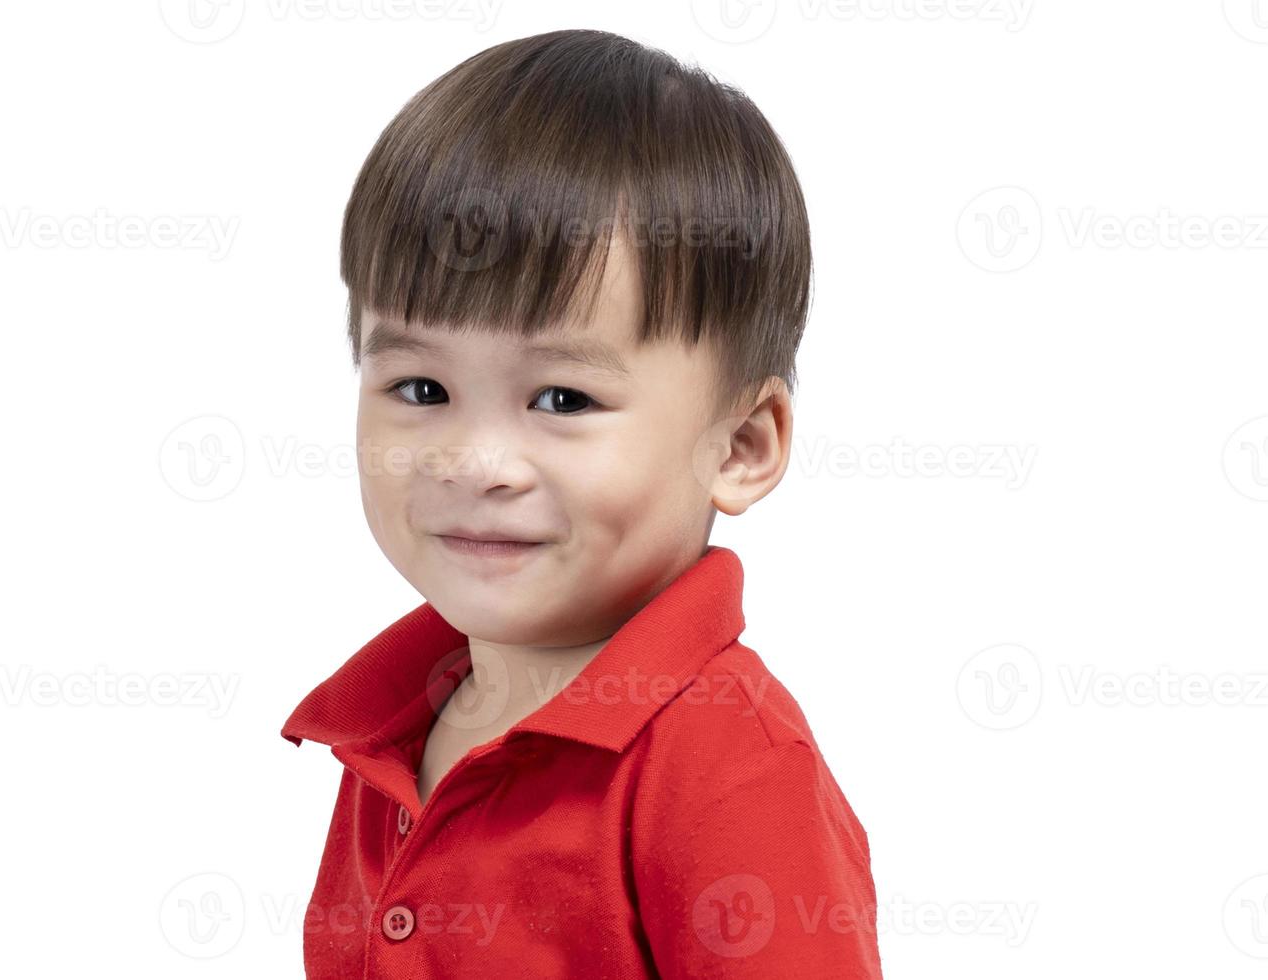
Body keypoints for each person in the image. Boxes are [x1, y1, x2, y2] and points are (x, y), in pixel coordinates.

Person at [282, 28, 884, 978]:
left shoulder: (725, 767)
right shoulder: (390, 731)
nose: (474, 463)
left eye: (563, 400)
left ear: (739, 446)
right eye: (421, 389)